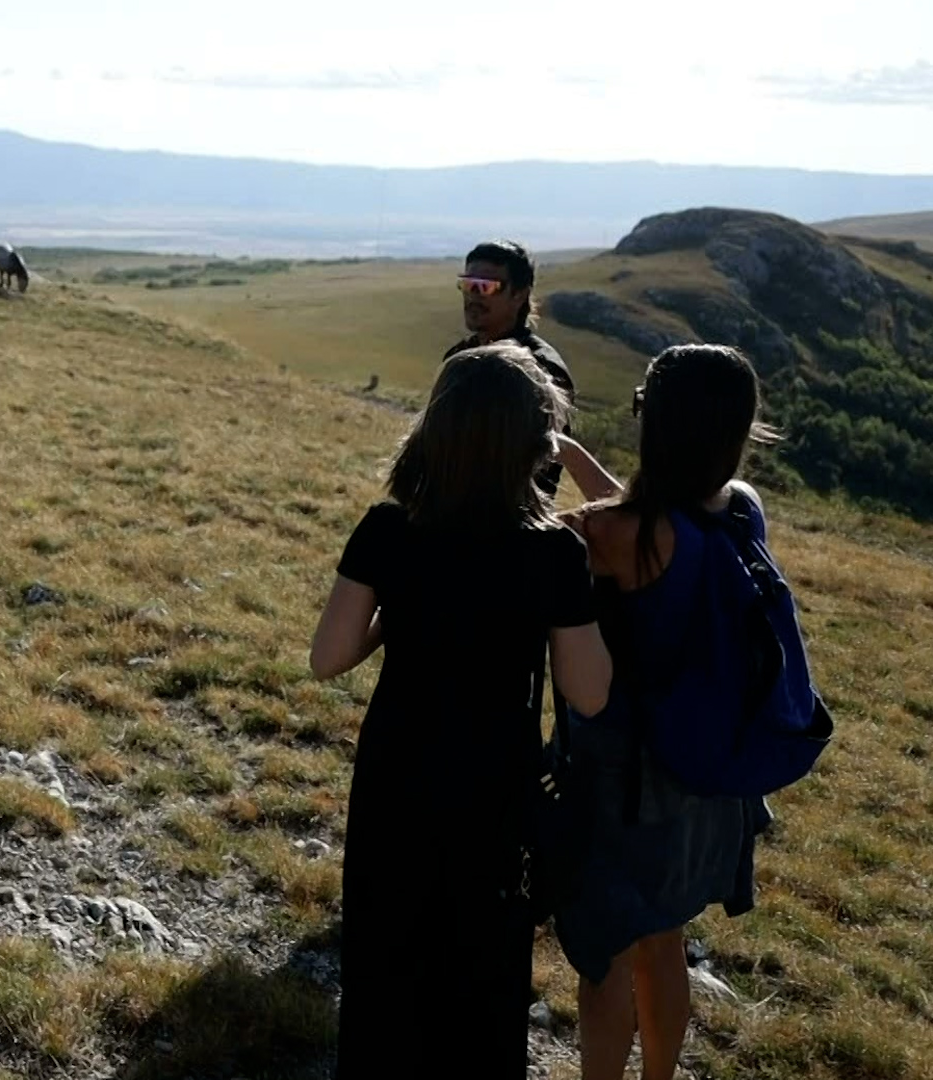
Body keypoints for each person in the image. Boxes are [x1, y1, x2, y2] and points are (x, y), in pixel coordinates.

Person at [311, 344, 613, 1078]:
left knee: (386, 952)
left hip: (396, 772)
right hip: (497, 786)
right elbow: (590, 692)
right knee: (484, 968)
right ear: (531, 444)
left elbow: (329, 656)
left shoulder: (387, 529)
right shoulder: (552, 555)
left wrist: (402, 614)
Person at [551, 345, 782, 1080]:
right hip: (709, 775)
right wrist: (575, 454)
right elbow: (661, 521)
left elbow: (577, 531)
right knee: (664, 943)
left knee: (607, 963)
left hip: (627, 786)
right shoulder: (740, 508)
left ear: (652, 420)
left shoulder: (609, 534)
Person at [445, 239, 576, 498]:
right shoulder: (458, 357)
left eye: (487, 287)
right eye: (469, 285)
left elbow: (543, 462)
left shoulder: (542, 370)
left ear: (519, 294)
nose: (474, 296)